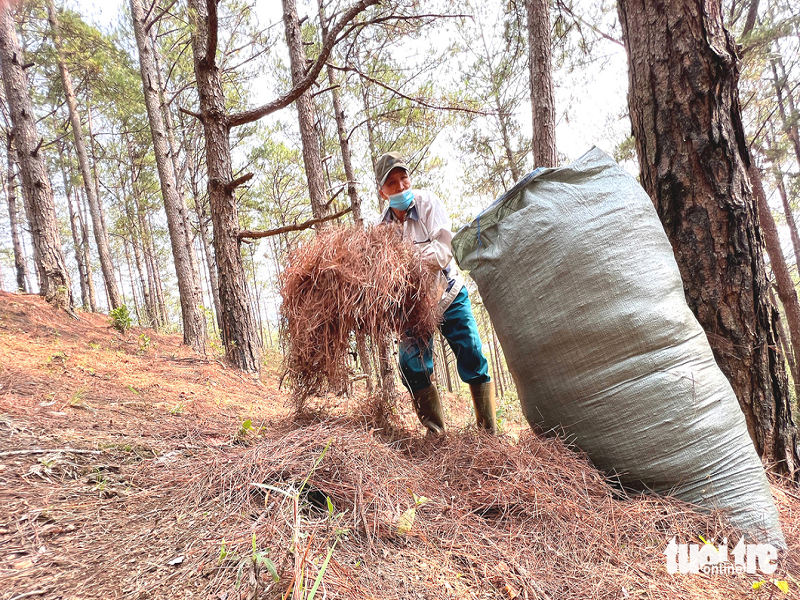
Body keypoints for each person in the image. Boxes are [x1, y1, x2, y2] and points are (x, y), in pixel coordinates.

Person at [375, 151, 497, 434]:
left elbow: (443, 249)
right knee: (410, 365)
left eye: (404, 178)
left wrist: (408, 263)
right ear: (383, 192)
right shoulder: (381, 230)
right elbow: (384, 276)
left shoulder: (428, 203)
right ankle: (436, 433)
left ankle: (488, 431)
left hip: (448, 293)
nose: (402, 186)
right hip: (414, 306)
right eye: (392, 183)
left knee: (471, 352)